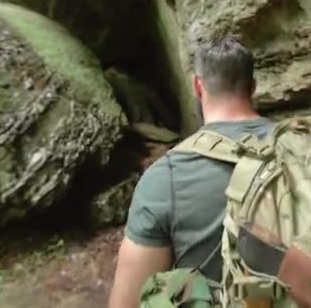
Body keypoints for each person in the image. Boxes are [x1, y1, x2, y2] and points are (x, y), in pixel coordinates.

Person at [108, 37, 273, 308]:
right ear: (252, 87)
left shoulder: (164, 178)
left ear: (197, 86)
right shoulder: (305, 147)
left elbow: (126, 303)